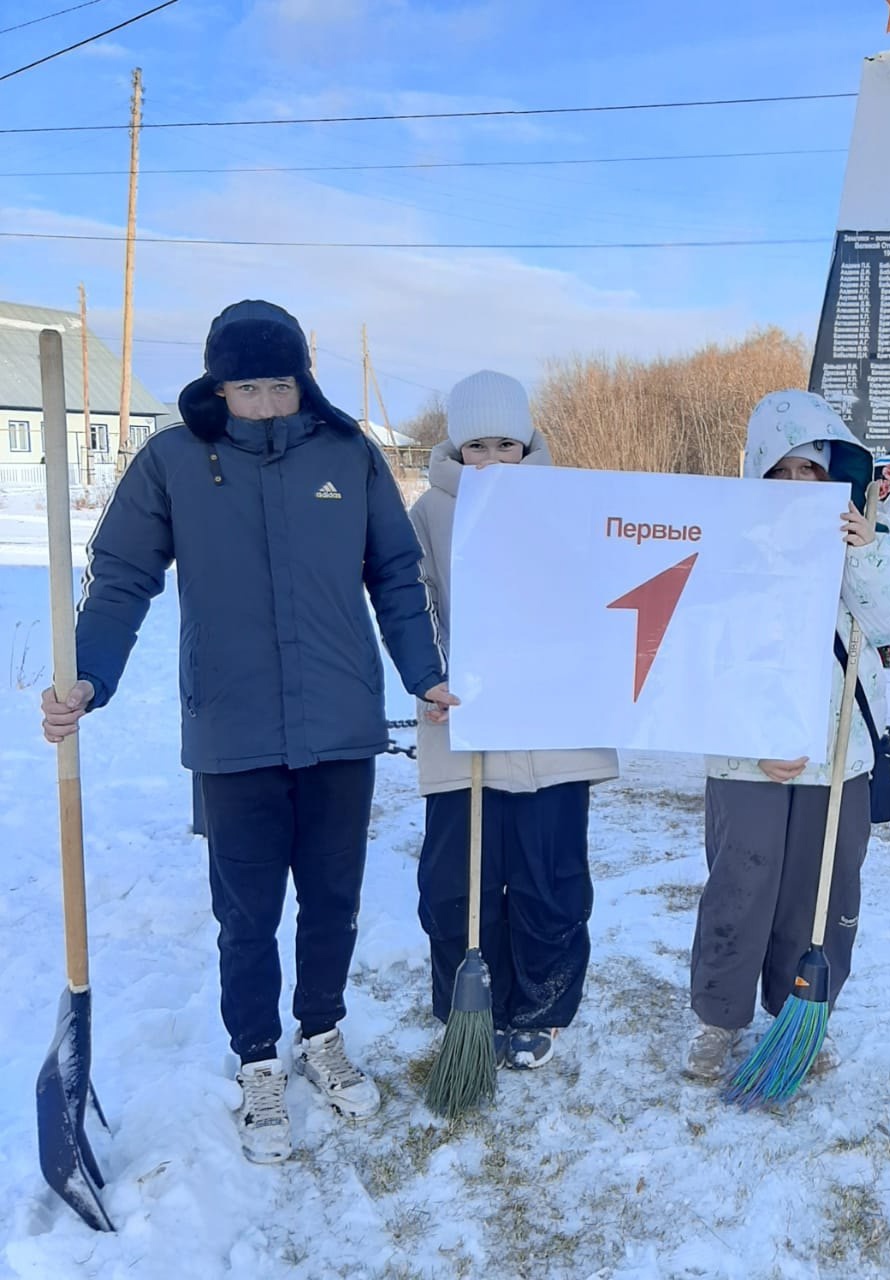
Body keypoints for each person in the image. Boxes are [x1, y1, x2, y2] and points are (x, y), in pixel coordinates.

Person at [40, 300, 457, 1164]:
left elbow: (394, 573)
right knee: (247, 914)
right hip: (231, 727)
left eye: (280, 384)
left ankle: (322, 1032)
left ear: (302, 379)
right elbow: (119, 577)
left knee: (334, 901)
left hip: (341, 723)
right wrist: (89, 672)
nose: (265, 402)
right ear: (216, 385)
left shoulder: (349, 454)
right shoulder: (175, 462)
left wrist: (424, 672)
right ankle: (258, 1059)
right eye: (247, 388)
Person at [685, 390, 890, 1081]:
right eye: (784, 472)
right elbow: (704, 649)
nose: (799, 487)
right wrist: (753, 735)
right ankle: (717, 1018)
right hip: (748, 760)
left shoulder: (860, 538)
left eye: (813, 473)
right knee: (741, 886)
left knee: (821, 894)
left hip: (837, 755)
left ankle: (801, 1013)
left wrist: (865, 552)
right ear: (760, 476)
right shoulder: (726, 546)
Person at [409, 370, 618, 1070]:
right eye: (478, 446)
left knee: (548, 877)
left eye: (507, 443)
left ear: (527, 445)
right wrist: (437, 674)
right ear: (456, 449)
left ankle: (541, 1005)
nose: (493, 460)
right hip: (463, 726)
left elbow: (608, 590)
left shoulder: (573, 505)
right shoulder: (429, 515)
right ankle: (472, 1006)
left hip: (555, 735)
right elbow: (416, 602)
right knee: (456, 883)